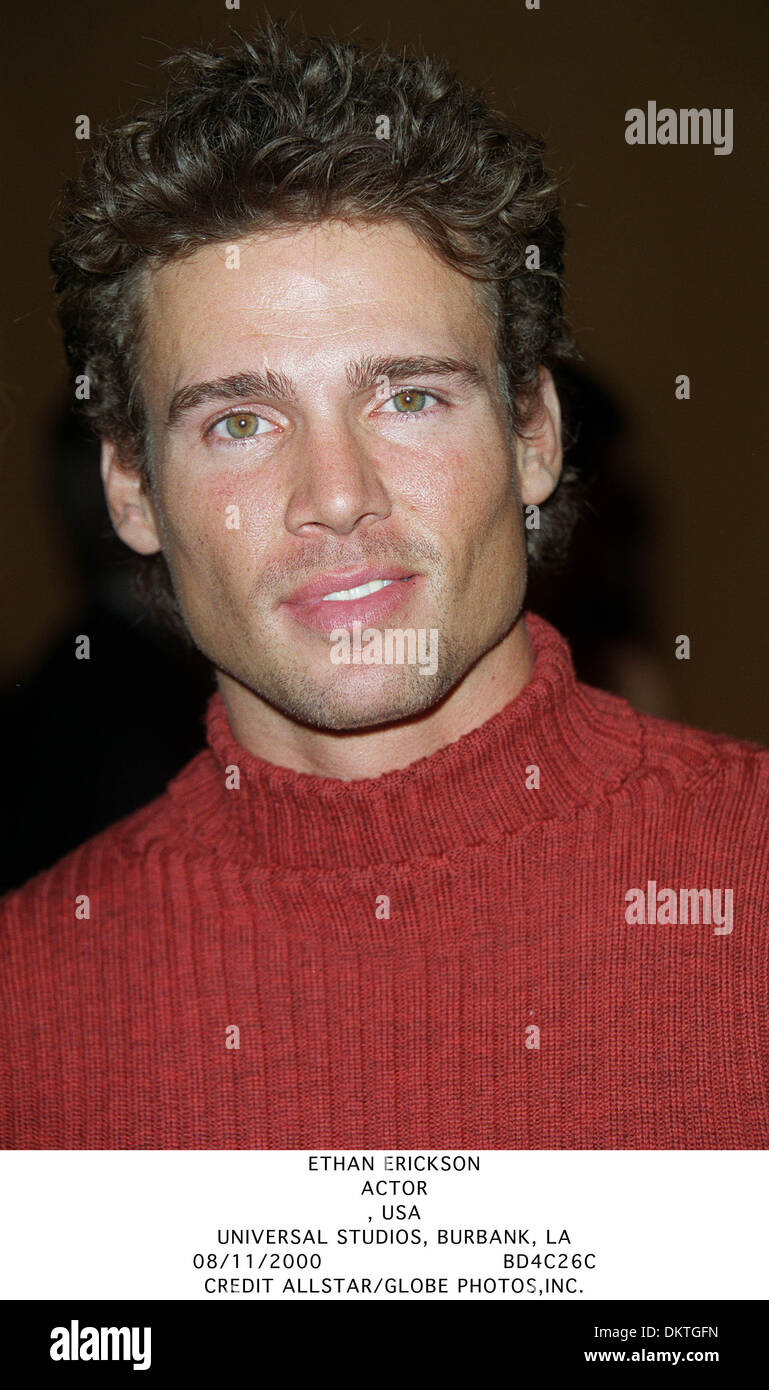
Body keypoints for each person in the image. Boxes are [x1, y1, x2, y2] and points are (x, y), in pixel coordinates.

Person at [1, 21, 766, 1149]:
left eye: (408, 398)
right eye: (239, 421)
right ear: (131, 490)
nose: (336, 495)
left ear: (534, 436)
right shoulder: (26, 1007)